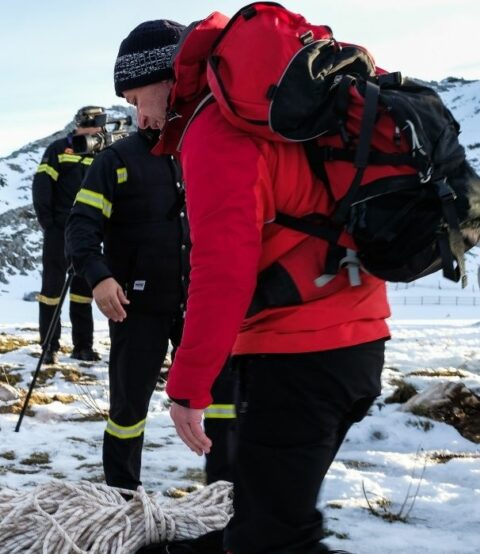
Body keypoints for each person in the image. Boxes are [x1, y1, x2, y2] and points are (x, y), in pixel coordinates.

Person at [114, 18, 390, 552]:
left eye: (134, 97)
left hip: (300, 355)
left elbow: (222, 271)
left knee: (274, 539)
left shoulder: (216, 132)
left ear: (163, 76)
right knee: (265, 514)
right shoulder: (270, 117)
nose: (139, 116)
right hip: (353, 340)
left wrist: (189, 387)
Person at [65, 59, 234, 488]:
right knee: (128, 410)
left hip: (197, 305)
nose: (140, 114)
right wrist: (99, 276)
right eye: (131, 104)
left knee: (222, 400)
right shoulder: (115, 160)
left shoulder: (203, 149)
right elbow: (80, 226)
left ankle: (226, 496)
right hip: (135, 310)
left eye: (140, 100)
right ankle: (123, 497)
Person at [31, 107, 104, 364]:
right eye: (98, 122)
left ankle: (83, 346)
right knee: (51, 288)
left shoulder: (103, 152)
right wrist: (48, 221)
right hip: (59, 229)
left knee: (83, 290)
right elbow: (41, 184)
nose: (100, 128)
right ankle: (49, 346)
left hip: (89, 232)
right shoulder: (59, 148)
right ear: (85, 122)